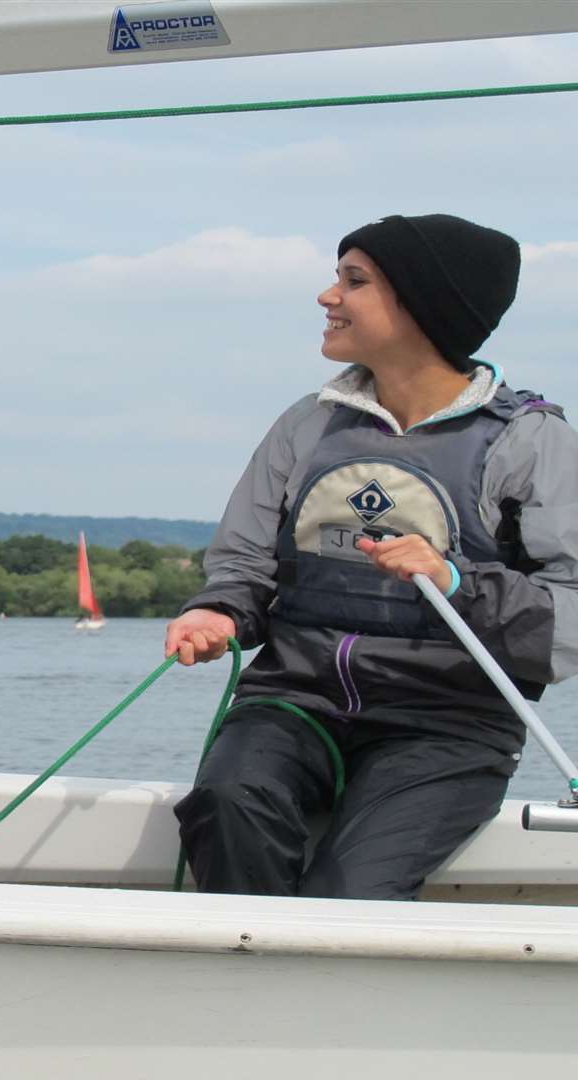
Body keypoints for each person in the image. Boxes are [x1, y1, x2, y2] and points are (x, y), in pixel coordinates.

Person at [164, 213, 578, 900]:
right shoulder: (309, 423)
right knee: (228, 805)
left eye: (354, 281)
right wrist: (217, 614)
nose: (329, 298)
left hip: (445, 729)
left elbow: (572, 619)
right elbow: (244, 567)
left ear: (422, 306)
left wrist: (456, 580)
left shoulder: (532, 443)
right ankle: (243, 996)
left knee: (350, 890)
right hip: (293, 705)